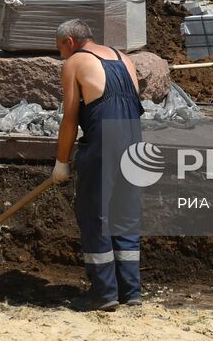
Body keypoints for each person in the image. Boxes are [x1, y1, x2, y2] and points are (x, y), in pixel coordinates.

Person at [52, 18, 143, 312]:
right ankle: (131, 291)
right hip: (134, 143)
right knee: (125, 216)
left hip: (104, 145)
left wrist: (61, 162)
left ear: (69, 42)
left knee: (96, 216)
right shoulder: (124, 59)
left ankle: (103, 294)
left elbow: (70, 118)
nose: (61, 56)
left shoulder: (76, 62)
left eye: (60, 49)